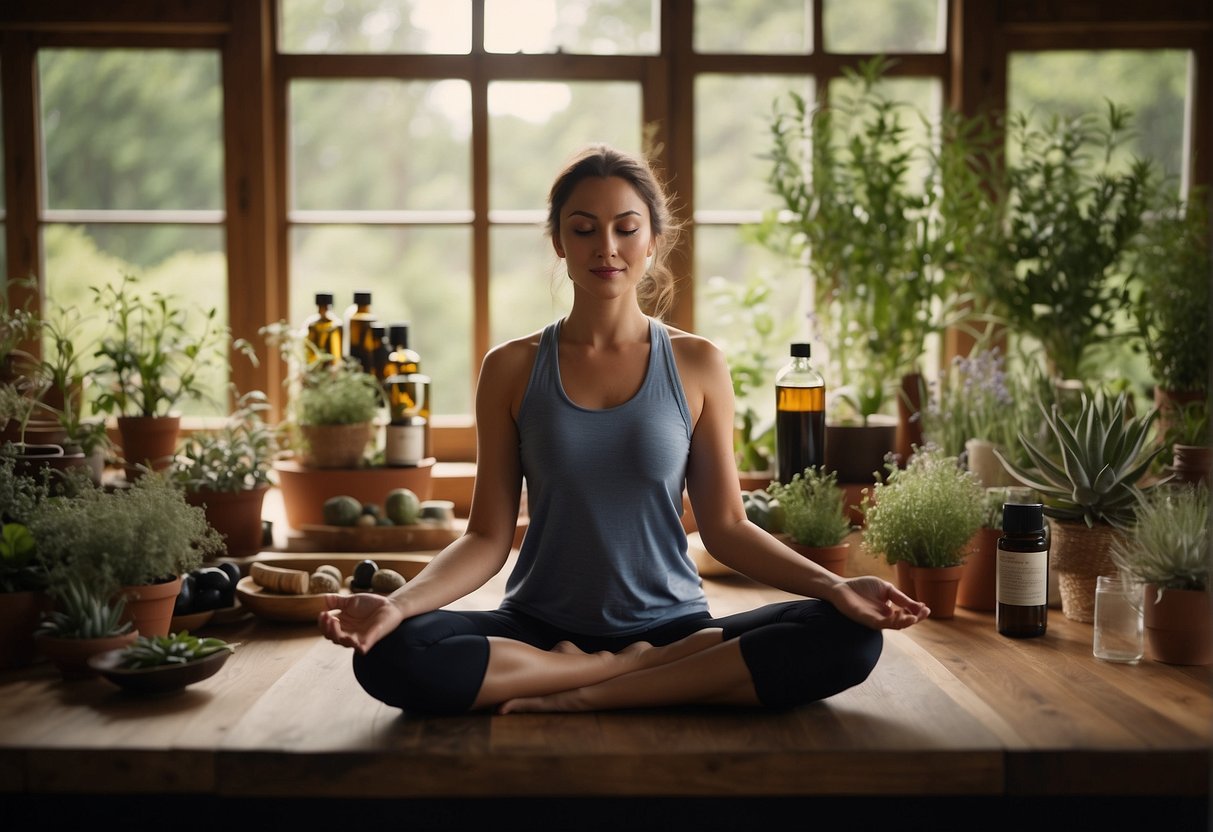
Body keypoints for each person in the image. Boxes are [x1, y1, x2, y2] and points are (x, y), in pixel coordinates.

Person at [318, 144, 930, 715]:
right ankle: (655, 675)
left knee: (850, 637)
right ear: (559, 242)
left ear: (654, 241)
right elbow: (485, 537)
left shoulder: (697, 364)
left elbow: (727, 528)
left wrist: (837, 585)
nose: (605, 246)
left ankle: (588, 691)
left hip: (671, 623)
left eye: (625, 228)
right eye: (582, 229)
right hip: (536, 624)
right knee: (390, 656)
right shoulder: (510, 367)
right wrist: (395, 605)